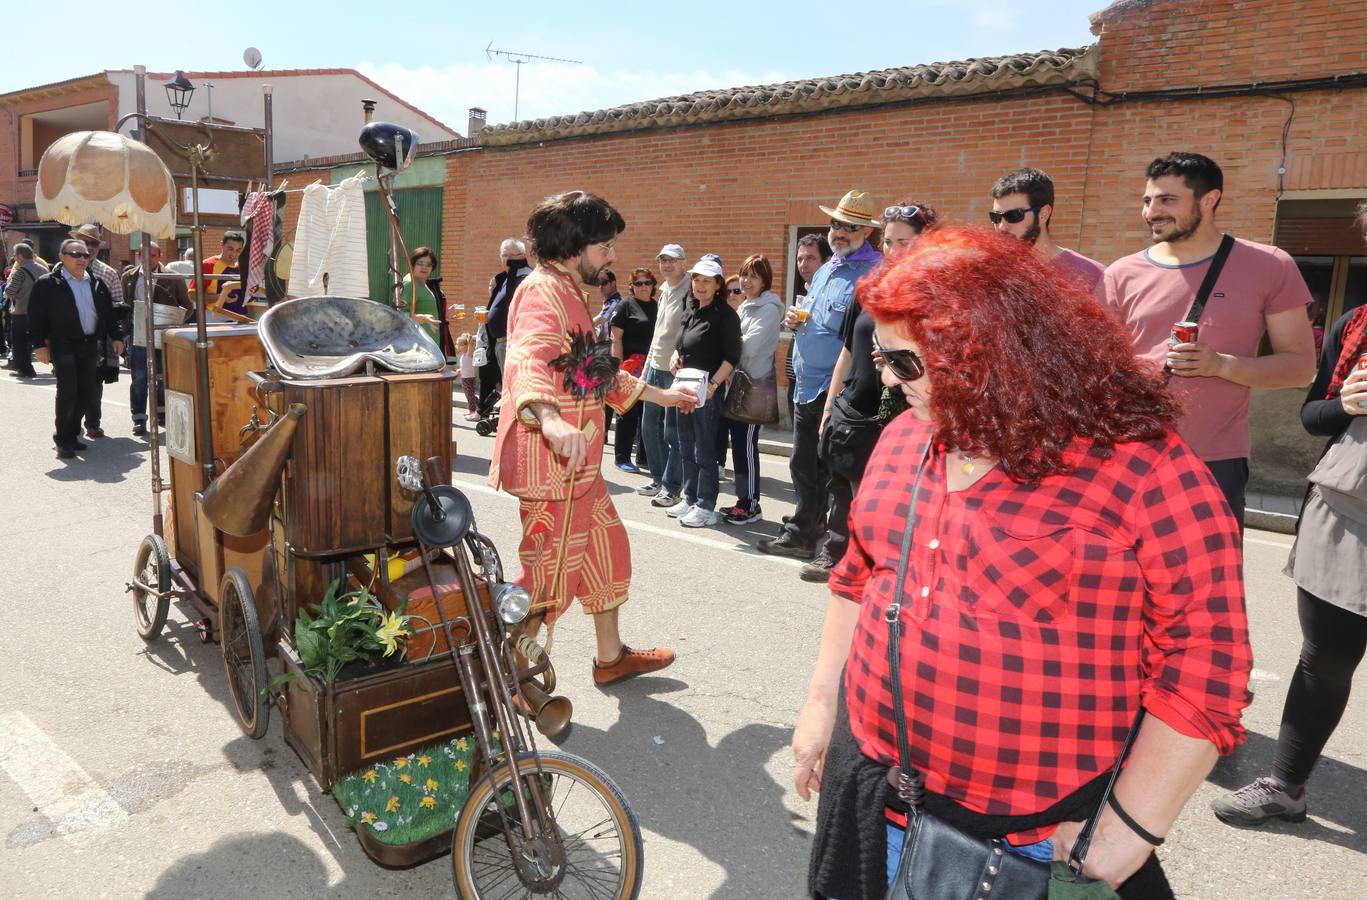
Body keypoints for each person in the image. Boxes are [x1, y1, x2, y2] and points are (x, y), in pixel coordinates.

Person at [793, 227, 1253, 899]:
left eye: (905, 362)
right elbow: (857, 578)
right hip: (868, 799)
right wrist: (817, 710)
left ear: (990, 352)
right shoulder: (898, 440)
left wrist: (1131, 825)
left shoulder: (1139, 466)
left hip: (1032, 842)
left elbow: (1207, 654)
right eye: (881, 356)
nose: (887, 379)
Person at [489, 190, 699, 684]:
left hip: (576, 468)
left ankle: (610, 658)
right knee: (547, 573)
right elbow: (528, 357)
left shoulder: (568, 294)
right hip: (553, 465)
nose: (611, 256)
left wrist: (663, 397)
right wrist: (551, 418)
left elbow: (593, 371)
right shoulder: (543, 291)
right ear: (574, 246)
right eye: (604, 246)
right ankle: (509, 677)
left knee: (607, 551)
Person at [1211, 201, 1367, 828]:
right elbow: (1312, 416)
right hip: (1346, 512)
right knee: (1323, 657)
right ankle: (1287, 785)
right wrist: (1348, 402)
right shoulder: (1356, 323)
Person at [1101, 152, 1318, 523]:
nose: (1152, 212)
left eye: (1168, 200)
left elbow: (1299, 368)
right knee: (1118, 579)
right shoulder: (1121, 273)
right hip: (1127, 454)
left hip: (1213, 463)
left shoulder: (1269, 265)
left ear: (1209, 199)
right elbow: (1096, 366)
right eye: (1147, 200)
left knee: (1204, 581)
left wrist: (1220, 365)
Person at [803, 202, 938, 584]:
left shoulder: (936, 297)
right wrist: (830, 406)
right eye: (890, 242)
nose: (895, 251)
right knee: (845, 492)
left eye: (905, 242)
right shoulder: (872, 287)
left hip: (905, 415)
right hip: (856, 410)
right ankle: (841, 557)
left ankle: (887, 568)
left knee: (888, 501)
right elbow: (847, 349)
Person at [760, 191, 881, 560]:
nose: (840, 231)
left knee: (836, 472)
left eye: (850, 226)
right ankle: (801, 531)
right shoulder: (828, 267)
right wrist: (794, 323)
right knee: (802, 463)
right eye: (835, 224)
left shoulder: (874, 272)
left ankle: (835, 546)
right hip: (804, 383)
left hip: (839, 388)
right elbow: (812, 318)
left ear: (866, 232)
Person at [666, 256, 743, 528]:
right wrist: (676, 355)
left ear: (718, 284)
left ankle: (706, 506)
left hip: (707, 392)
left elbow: (733, 357)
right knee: (685, 444)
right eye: (697, 279)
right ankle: (690, 497)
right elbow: (683, 344)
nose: (700, 285)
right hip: (684, 387)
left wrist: (713, 387)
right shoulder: (692, 308)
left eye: (706, 281)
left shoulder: (726, 315)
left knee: (705, 451)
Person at [29, 239, 124, 459]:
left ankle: (72, 436)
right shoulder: (48, 283)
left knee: (86, 392)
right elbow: (36, 317)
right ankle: (63, 439)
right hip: (63, 344)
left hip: (90, 345)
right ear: (62, 256)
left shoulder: (97, 283)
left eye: (86, 256)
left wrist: (116, 337)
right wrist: (39, 345)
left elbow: (108, 314)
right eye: (76, 254)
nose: (82, 259)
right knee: (68, 391)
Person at [720, 254, 783, 525]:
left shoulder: (767, 309)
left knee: (746, 447)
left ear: (764, 280)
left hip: (753, 387)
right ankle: (742, 501)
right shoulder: (746, 306)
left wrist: (725, 347)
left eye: (753, 276)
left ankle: (750, 504)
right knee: (740, 447)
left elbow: (749, 347)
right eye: (744, 274)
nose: (746, 281)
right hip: (738, 385)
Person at [989, 167, 1105, 292]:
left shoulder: (1093, 275)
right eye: (996, 217)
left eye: (1013, 215)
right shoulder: (989, 275)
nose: (1001, 226)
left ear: (1043, 214)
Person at [122, 241, 191, 436]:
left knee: (163, 377)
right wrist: (126, 332)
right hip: (139, 335)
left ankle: (161, 415)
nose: (148, 259)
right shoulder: (129, 277)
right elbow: (126, 307)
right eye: (144, 255)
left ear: (159, 256)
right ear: (137, 255)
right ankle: (139, 419)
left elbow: (188, 307)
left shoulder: (173, 278)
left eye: (153, 255)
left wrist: (174, 326)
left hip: (164, 335)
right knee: (139, 378)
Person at [639, 243, 690, 507]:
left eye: (672, 260)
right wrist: (645, 371)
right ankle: (658, 479)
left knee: (672, 432)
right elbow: (657, 337)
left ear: (683, 263)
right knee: (649, 428)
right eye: (663, 261)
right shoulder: (664, 291)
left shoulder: (689, 290)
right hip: (655, 367)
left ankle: (672, 487)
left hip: (674, 371)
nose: (667, 265)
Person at [70, 225, 124, 438]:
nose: (89, 247)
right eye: (85, 243)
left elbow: (119, 306)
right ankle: (71, 425)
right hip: (70, 336)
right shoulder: (62, 269)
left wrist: (118, 337)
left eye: (93, 243)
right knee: (70, 382)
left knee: (94, 382)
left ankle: (92, 422)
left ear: (99, 248)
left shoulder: (108, 273)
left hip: (98, 338)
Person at [609, 267, 659, 473]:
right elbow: (616, 338)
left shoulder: (658, 306)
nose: (643, 287)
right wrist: (618, 368)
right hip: (630, 365)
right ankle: (622, 456)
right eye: (638, 283)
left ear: (653, 285)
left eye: (647, 282)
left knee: (648, 413)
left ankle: (643, 458)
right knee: (627, 411)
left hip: (651, 365)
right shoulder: (625, 306)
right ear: (631, 286)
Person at [480, 238, 532, 414]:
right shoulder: (506, 279)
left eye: (512, 255)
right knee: (508, 388)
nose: (507, 259)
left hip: (513, 343)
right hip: (500, 343)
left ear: (524, 256)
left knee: (514, 390)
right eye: (504, 255)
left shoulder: (525, 278)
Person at [4, 243, 46, 378]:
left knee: (19, 342)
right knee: (37, 341)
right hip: (41, 313)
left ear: (20, 256)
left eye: (15, 255)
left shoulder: (21, 272)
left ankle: (25, 369)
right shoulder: (44, 269)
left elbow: (9, 291)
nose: (14, 258)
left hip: (22, 311)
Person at [195, 231, 246, 314]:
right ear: (222, 245)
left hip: (241, 319)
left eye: (238, 250)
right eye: (230, 249)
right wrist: (221, 297)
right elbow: (192, 295)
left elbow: (250, 300)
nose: (234, 254)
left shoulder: (243, 267)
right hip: (215, 317)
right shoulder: (208, 264)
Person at [400, 247, 442, 343]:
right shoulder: (410, 283)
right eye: (420, 263)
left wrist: (445, 313)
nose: (424, 267)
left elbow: (425, 307)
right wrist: (423, 318)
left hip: (429, 343)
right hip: (418, 346)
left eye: (428, 264)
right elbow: (401, 315)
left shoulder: (422, 282)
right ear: (413, 264)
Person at [455, 333, 479, 421]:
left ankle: (472, 410)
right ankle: (477, 406)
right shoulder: (463, 356)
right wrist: (459, 370)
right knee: (468, 395)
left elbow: (471, 347)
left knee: (470, 395)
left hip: (469, 378)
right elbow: (464, 366)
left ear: (465, 346)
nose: (458, 347)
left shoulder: (469, 354)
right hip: (464, 378)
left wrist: (470, 342)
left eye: (460, 345)